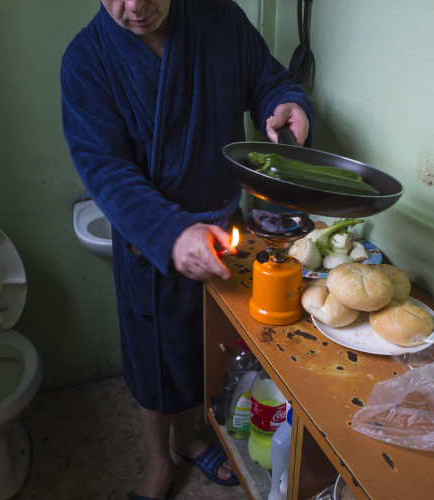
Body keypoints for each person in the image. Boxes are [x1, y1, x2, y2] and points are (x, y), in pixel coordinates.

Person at [60, 1, 313, 498]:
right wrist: (171, 233)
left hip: (223, 228)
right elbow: (105, 169)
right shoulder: (86, 60)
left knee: (207, 348)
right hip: (148, 240)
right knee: (154, 361)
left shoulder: (220, 18)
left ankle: (190, 437)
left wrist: (285, 101)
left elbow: (265, 78)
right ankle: (158, 462)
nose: (133, 8)